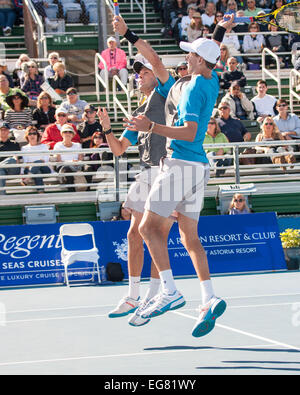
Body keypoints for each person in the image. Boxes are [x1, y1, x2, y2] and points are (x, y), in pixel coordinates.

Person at [120, 16, 235, 335]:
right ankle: (209, 298)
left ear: (199, 60)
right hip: (199, 169)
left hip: (181, 163)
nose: (186, 57)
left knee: (146, 227)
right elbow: (209, 53)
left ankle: (169, 291)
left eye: (190, 54)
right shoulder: (210, 79)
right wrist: (220, 30)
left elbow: (189, 131)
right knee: (188, 237)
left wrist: (151, 126)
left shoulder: (195, 85)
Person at [98, 15, 177, 323]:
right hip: (145, 172)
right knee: (134, 234)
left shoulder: (165, 92)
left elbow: (156, 61)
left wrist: (127, 34)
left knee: (155, 234)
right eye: (137, 73)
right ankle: (133, 296)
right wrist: (106, 129)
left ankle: (154, 295)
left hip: (169, 169)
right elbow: (119, 150)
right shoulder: (136, 111)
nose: (140, 76)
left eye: (143, 72)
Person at [52, 123, 84, 193]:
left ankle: (87, 191)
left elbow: (80, 158)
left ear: (73, 134)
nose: (67, 133)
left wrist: (76, 162)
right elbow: (58, 160)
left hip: (76, 165)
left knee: (88, 168)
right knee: (67, 170)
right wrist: (70, 162)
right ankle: (72, 193)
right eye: (65, 132)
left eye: (70, 132)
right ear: (62, 134)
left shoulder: (77, 145)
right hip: (63, 167)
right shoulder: (58, 145)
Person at [21, 126, 51, 193]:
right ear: (27, 136)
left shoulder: (44, 146)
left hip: (45, 169)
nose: (32, 136)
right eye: (30, 134)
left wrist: (35, 163)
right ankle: (41, 192)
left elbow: (45, 161)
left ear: (37, 135)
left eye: (34, 133)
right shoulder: (24, 148)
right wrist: (36, 164)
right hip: (30, 169)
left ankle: (27, 179)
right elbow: (26, 163)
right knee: (37, 171)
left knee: (38, 162)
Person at [0, 121, 20, 195]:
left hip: (13, 169)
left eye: (5, 130)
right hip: (2, 171)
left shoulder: (14, 144)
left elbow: (17, 159)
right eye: (1, 130)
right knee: (0, 172)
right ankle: (2, 197)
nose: (3, 132)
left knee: (11, 159)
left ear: (8, 131)